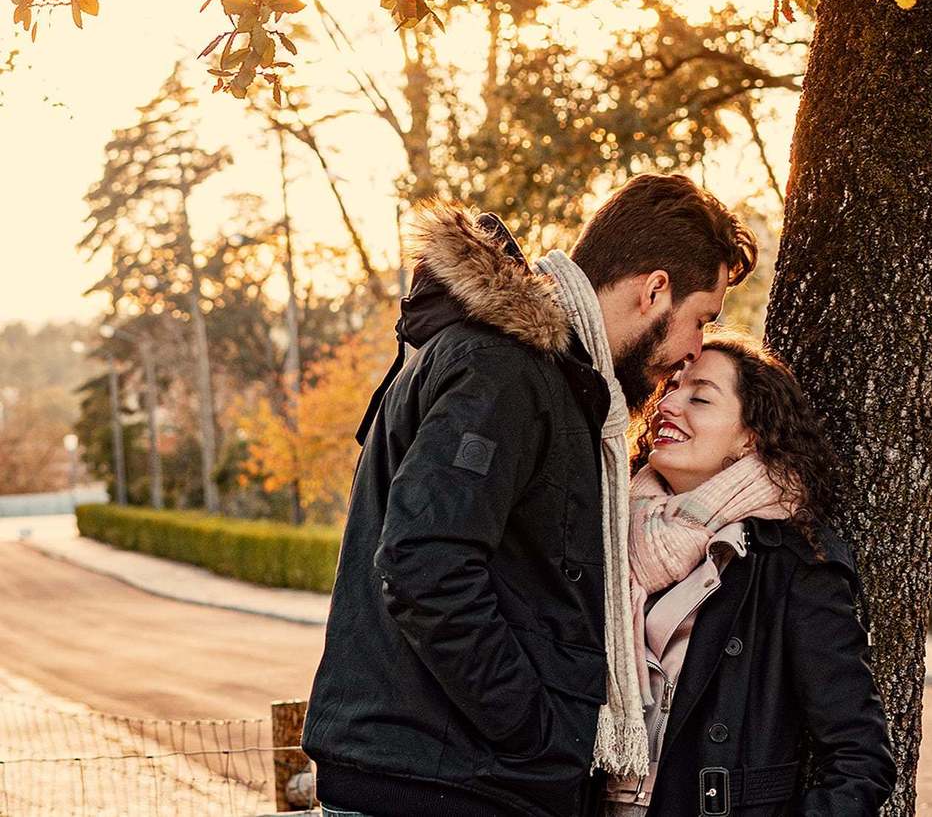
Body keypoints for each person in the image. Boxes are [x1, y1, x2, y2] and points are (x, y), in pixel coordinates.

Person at [303, 173, 757, 817]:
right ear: (655, 290)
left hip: (450, 775)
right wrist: (537, 735)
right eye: (700, 319)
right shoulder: (504, 370)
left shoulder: (552, 381)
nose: (692, 352)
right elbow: (424, 565)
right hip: (443, 784)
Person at [606, 330, 897, 817]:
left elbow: (859, 757)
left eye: (699, 396)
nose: (668, 405)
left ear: (750, 437)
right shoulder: (608, 534)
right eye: (670, 389)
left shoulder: (793, 563)